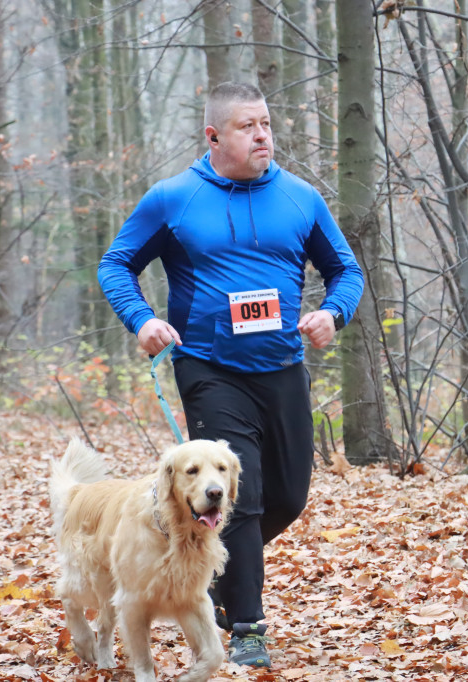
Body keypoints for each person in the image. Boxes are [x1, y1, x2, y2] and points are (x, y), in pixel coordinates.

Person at [97, 81, 364, 669]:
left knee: (289, 496)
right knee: (240, 497)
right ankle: (246, 628)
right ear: (214, 136)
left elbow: (345, 269)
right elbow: (116, 263)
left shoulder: (300, 198)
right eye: (248, 126)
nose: (263, 134)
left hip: (281, 366)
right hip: (209, 367)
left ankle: (206, 562)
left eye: (266, 123)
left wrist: (332, 312)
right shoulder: (174, 199)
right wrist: (142, 319)